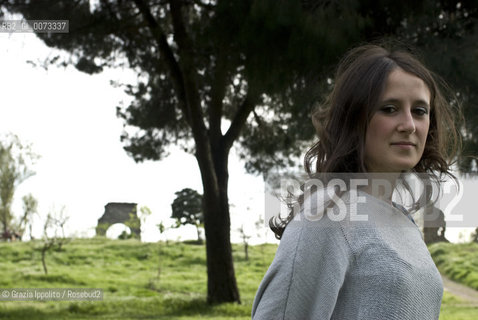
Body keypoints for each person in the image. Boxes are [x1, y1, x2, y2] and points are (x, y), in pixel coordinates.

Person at [251, 43, 461, 320]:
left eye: (420, 111)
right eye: (389, 108)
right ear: (354, 119)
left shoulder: (403, 220)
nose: (409, 124)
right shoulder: (328, 213)